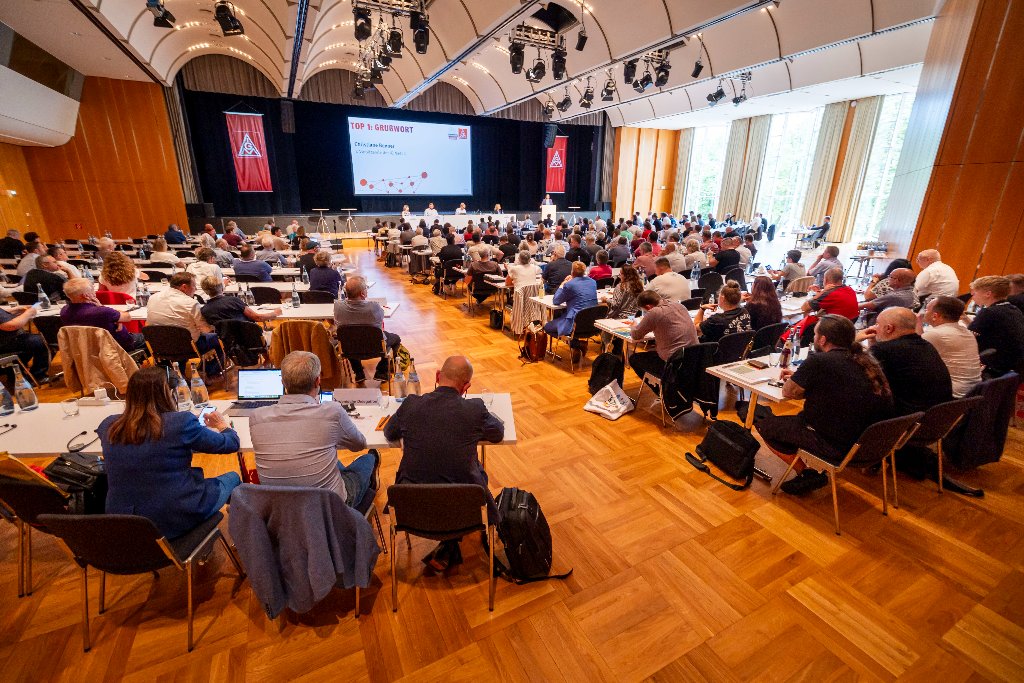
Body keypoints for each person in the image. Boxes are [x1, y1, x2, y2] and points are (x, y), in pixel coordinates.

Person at [384, 355, 504, 571]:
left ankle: (448, 546)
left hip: (412, 509)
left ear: (438, 376)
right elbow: (497, 433)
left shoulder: (411, 404)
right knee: (475, 471)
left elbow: (389, 432)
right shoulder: (474, 409)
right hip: (464, 511)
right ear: (466, 387)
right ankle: (450, 543)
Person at [755, 315, 893, 495]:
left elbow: (788, 392)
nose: (813, 338)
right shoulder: (867, 360)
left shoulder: (819, 361)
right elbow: (841, 386)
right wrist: (806, 378)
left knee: (765, 425)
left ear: (822, 339)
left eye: (815, 334)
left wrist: (803, 379)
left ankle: (806, 472)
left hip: (837, 445)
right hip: (872, 443)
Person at [99, 367, 240, 538]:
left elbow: (146, 447)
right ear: (169, 393)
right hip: (173, 518)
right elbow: (231, 444)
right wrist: (222, 426)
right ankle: (242, 534)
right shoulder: (180, 423)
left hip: (125, 524)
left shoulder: (108, 426)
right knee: (233, 478)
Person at [249, 351, 379, 506]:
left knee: (329, 461)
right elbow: (359, 445)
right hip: (329, 508)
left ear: (282, 382)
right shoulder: (332, 412)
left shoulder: (256, 416)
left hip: (280, 509)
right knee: (368, 459)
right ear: (318, 381)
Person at [862, 307, 952, 415]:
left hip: (908, 418)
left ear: (889, 328)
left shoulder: (883, 349)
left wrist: (854, 341)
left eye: (877, 324)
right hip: (941, 414)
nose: (874, 328)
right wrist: (873, 341)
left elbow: (861, 376)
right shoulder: (926, 345)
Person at [146, 272, 223, 374]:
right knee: (214, 338)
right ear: (184, 287)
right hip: (186, 347)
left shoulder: (153, 297)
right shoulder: (191, 303)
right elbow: (205, 329)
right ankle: (211, 373)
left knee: (177, 338)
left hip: (159, 345)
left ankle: (174, 373)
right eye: (194, 286)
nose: (196, 289)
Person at [334, 276, 400, 382]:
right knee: (396, 339)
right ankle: (382, 372)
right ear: (362, 293)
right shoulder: (374, 307)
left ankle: (359, 373)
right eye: (366, 288)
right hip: (376, 348)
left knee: (348, 338)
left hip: (350, 349)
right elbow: (380, 317)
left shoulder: (337, 306)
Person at [918, 295, 982, 398]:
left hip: (953, 395)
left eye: (927, 310)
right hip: (973, 392)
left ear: (935, 315)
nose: (924, 312)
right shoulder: (966, 331)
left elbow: (915, 351)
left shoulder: (936, 334)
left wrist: (917, 323)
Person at [628, 290, 699, 380]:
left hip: (674, 362)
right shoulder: (680, 306)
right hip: (694, 357)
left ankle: (662, 385)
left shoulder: (654, 312)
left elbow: (636, 335)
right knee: (653, 350)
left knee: (634, 358)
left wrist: (633, 325)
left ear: (648, 307)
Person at [60, 277, 145, 351]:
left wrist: (115, 318)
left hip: (85, 349)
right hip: (117, 347)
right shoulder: (102, 312)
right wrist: (101, 307)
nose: (95, 292)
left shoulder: (64, 311)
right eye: (93, 290)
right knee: (149, 336)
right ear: (86, 295)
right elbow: (127, 317)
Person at [968, 275, 1024, 377]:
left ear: (988, 294)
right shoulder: (1014, 309)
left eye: (975, 292)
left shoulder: (989, 312)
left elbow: (968, 337)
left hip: (994, 366)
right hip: (1014, 366)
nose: (972, 295)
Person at [545, 262, 598, 360]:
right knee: (564, 315)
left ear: (572, 272)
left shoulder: (569, 285)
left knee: (547, 327)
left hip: (574, 323)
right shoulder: (592, 282)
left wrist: (563, 284)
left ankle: (577, 344)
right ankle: (577, 344)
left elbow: (556, 300)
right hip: (591, 323)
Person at [199, 276, 280, 325]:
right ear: (222, 288)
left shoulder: (204, 310)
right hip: (249, 337)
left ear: (205, 291)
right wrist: (275, 313)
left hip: (225, 342)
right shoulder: (233, 301)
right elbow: (258, 317)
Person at [0, 303, 48, 381]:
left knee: (32, 340)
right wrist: (29, 313)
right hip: (4, 345)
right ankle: (38, 376)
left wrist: (15, 310)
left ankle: (14, 375)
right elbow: (11, 325)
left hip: (6, 342)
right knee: (42, 340)